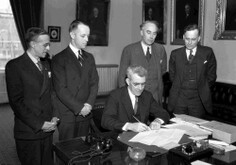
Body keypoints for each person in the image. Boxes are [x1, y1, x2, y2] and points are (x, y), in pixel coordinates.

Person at [5, 27, 59, 165]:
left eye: (49, 44)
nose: (48, 48)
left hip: (48, 129)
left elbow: (51, 93)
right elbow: (16, 102)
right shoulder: (15, 66)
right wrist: (39, 124)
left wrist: (54, 115)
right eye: (45, 44)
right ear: (33, 44)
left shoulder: (47, 64)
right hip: (29, 131)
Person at [51, 20, 99, 141]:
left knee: (83, 147)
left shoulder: (89, 57)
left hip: (86, 112)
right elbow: (61, 89)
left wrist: (88, 104)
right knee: (67, 149)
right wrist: (79, 108)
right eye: (83, 36)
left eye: (88, 36)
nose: (87, 39)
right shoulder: (59, 58)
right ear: (72, 35)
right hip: (68, 113)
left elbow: (94, 83)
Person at [168, 24, 217, 118]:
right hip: (179, 98)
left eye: (193, 39)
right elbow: (172, 76)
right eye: (187, 39)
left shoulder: (207, 52)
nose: (190, 42)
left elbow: (212, 76)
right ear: (183, 37)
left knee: (196, 127)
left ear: (199, 38)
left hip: (198, 99)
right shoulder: (175, 54)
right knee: (177, 126)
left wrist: (202, 86)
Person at [102, 65, 170, 133]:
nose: (140, 88)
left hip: (141, 137)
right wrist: (129, 126)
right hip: (120, 136)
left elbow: (164, 113)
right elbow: (105, 121)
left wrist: (157, 121)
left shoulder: (147, 96)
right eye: (136, 84)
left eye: (143, 84)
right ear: (128, 81)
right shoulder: (115, 96)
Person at [118, 20, 167, 105]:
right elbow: (122, 77)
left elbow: (163, 70)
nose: (151, 36)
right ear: (141, 32)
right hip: (135, 97)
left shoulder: (160, 49)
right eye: (148, 32)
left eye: (154, 33)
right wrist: (125, 98)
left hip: (155, 97)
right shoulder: (129, 50)